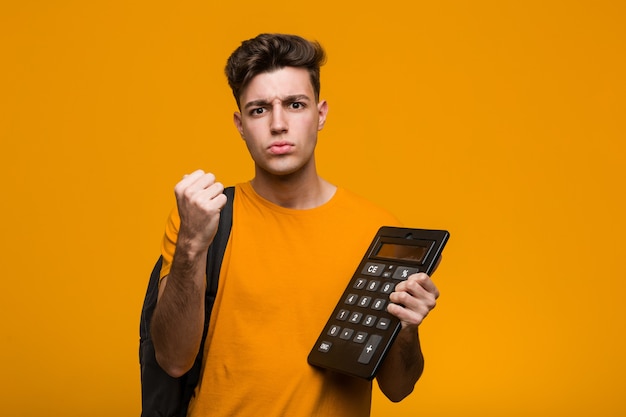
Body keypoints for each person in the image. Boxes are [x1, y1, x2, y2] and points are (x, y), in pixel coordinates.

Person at [150, 33, 441, 417]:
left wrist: (407, 328)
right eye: (258, 110)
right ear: (240, 124)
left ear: (320, 114)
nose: (278, 124)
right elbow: (172, 360)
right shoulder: (204, 219)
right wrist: (190, 245)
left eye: (294, 104)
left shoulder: (378, 231)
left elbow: (399, 388)